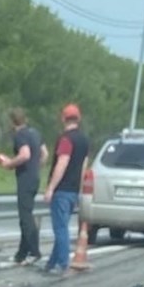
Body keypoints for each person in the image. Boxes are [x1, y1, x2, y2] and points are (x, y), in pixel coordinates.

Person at [0, 107, 48, 265]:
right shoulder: (35, 133)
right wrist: (36, 167)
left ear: (13, 122)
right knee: (27, 214)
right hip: (35, 177)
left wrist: (9, 163)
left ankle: (34, 251)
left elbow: (25, 155)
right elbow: (45, 153)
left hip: (25, 178)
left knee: (25, 217)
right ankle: (21, 253)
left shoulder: (20, 135)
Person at [41, 103, 89, 277]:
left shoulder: (66, 139)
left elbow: (62, 163)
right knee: (62, 226)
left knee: (60, 229)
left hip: (62, 190)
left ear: (63, 118)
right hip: (73, 190)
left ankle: (63, 264)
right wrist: (80, 188)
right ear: (78, 119)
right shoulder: (84, 140)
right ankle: (52, 262)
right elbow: (84, 165)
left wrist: (51, 188)